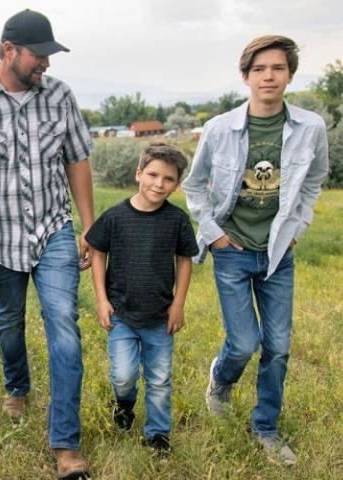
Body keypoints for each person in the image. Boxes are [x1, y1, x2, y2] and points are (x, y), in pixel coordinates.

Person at [0, 9, 95, 479]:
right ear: (7, 51)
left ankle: (66, 443)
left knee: (64, 326)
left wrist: (88, 227)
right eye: (40, 55)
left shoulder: (60, 97)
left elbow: (77, 159)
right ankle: (17, 386)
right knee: (9, 322)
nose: (47, 65)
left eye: (50, 56)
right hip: (1, 237)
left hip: (54, 229)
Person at [182, 35, 329, 466]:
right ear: (245, 76)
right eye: (260, 69)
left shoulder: (311, 127)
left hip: (279, 251)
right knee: (244, 342)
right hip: (232, 248)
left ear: (289, 75)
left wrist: (298, 226)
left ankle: (265, 427)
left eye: (278, 68)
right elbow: (194, 185)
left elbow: (315, 181)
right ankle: (220, 380)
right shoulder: (219, 128)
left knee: (279, 345)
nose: (269, 76)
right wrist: (215, 234)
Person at [86, 143, 199, 456]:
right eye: (152, 174)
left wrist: (178, 304)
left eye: (168, 179)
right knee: (123, 377)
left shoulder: (177, 220)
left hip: (161, 316)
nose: (158, 184)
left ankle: (158, 435)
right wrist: (101, 299)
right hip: (121, 313)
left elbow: (185, 259)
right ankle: (124, 405)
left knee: (160, 379)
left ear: (176, 184)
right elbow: (97, 252)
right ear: (138, 174)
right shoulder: (115, 217)